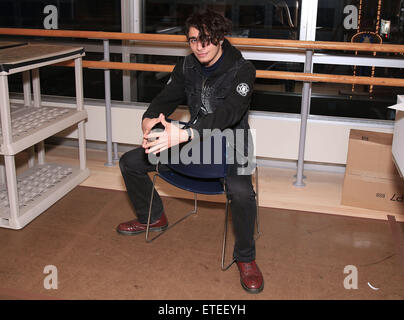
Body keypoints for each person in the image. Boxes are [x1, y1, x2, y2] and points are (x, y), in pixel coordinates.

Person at [116, 9, 264, 294]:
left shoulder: (243, 69)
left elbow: (230, 114)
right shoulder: (186, 66)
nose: (200, 46)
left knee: (243, 193)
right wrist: (149, 117)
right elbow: (164, 99)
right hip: (194, 139)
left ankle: (246, 258)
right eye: (194, 40)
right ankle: (153, 217)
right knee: (130, 162)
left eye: (207, 39)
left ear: (220, 38)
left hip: (236, 144)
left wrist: (184, 132)